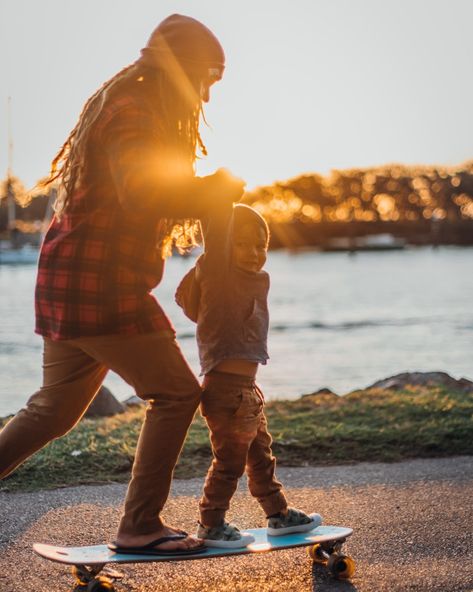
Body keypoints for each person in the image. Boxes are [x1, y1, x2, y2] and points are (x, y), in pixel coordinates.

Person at [0, 14, 245, 555]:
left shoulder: (133, 106)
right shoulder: (135, 113)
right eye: (206, 78)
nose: (206, 94)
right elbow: (143, 192)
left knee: (54, 411)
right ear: (182, 72)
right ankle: (140, 526)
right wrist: (212, 188)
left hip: (68, 279)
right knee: (177, 394)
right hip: (101, 287)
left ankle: (140, 523)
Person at [175, 204, 322, 548]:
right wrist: (218, 196)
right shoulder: (217, 273)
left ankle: (278, 515)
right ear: (224, 245)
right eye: (241, 244)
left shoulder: (253, 280)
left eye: (261, 245)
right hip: (226, 393)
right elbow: (214, 233)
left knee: (261, 458)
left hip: (247, 391)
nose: (253, 253)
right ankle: (211, 524)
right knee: (229, 464)